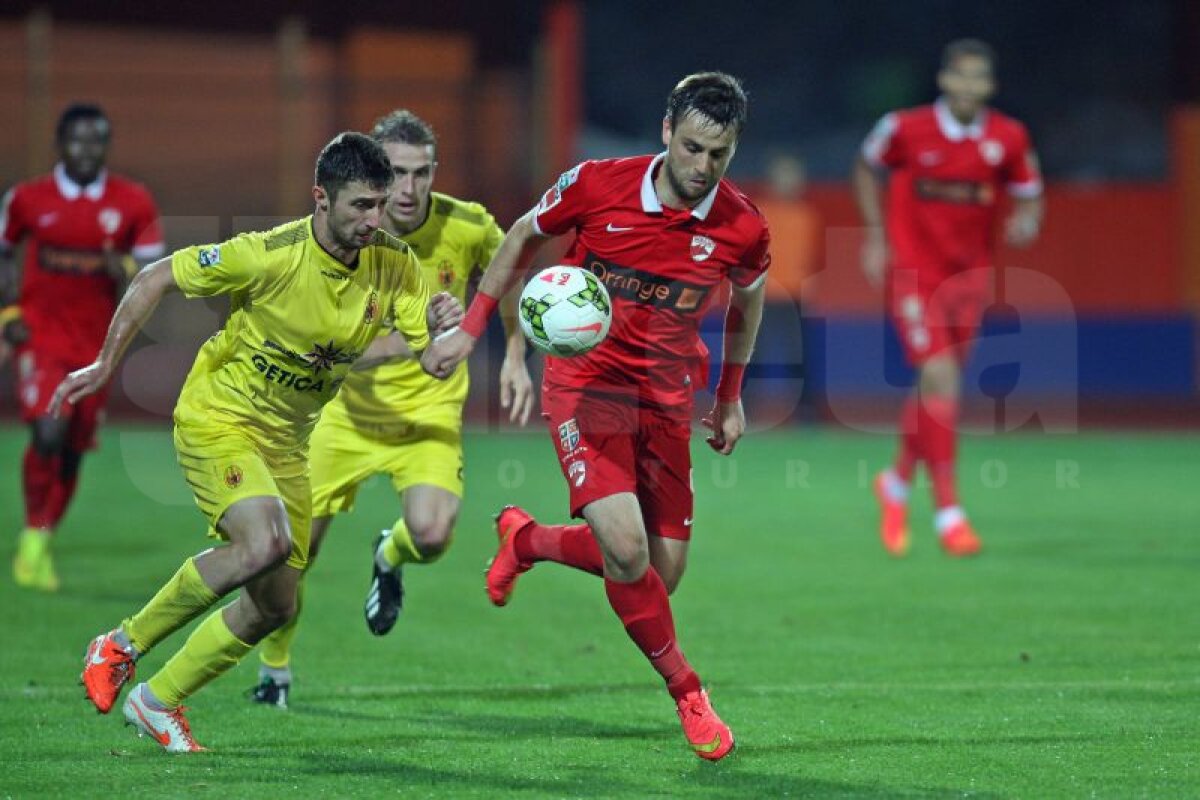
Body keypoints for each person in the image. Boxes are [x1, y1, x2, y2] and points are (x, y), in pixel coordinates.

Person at [56, 132, 459, 752]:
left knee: (274, 604)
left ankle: (156, 701)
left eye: (380, 204)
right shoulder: (267, 254)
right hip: (220, 418)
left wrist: (444, 334)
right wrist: (105, 365)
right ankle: (119, 644)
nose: (374, 220)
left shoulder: (395, 263)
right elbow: (157, 277)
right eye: (360, 206)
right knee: (265, 542)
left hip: (288, 442)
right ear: (321, 199)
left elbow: (429, 360)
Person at [424, 72, 771, 762]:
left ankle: (528, 541)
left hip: (668, 398)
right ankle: (689, 693)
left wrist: (730, 395)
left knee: (659, 573)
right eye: (694, 147)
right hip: (587, 388)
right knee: (628, 551)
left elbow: (748, 304)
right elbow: (524, 234)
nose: (703, 168)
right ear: (666, 131)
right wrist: (471, 328)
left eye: (720, 155)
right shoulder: (597, 184)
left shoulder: (742, 226)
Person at [250, 109, 533, 709]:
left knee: (431, 536)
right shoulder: (346, 236)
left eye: (421, 173)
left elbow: (507, 276)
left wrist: (513, 352)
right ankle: (274, 670)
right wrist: (416, 341)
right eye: (397, 173)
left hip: (426, 418)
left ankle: (389, 552)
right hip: (342, 420)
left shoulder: (467, 224)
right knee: (294, 556)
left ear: (435, 172)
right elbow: (325, 350)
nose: (408, 189)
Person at [851, 39, 1043, 557]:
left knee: (934, 387)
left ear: (989, 86)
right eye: (961, 76)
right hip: (913, 272)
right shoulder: (905, 128)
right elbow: (868, 164)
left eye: (979, 78)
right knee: (941, 377)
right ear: (944, 80)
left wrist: (1028, 217)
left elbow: (1029, 191)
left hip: (970, 280)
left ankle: (894, 481)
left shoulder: (1008, 136)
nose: (969, 86)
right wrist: (875, 234)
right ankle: (948, 511)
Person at [0, 103, 164, 591]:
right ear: (60, 143)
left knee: (71, 451)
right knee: (49, 432)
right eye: (77, 140)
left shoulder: (132, 202)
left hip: (98, 348)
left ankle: (39, 542)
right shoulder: (28, 199)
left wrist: (125, 271)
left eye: (97, 141)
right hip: (42, 338)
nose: (86, 150)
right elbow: (4, 251)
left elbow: (154, 273)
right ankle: (33, 537)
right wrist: (9, 314)